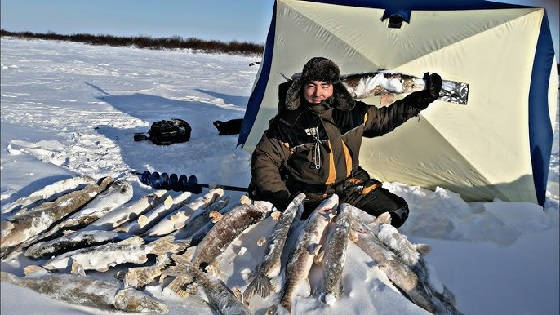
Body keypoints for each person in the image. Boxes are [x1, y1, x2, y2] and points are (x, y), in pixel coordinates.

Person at [248, 57, 442, 228]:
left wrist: (422, 98)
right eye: (311, 85)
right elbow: (265, 159)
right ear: (302, 86)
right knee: (313, 230)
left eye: (324, 86)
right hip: (309, 194)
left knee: (397, 212)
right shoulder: (289, 122)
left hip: (350, 184)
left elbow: (385, 119)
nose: (318, 93)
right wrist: (283, 200)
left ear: (334, 87)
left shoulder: (353, 112)